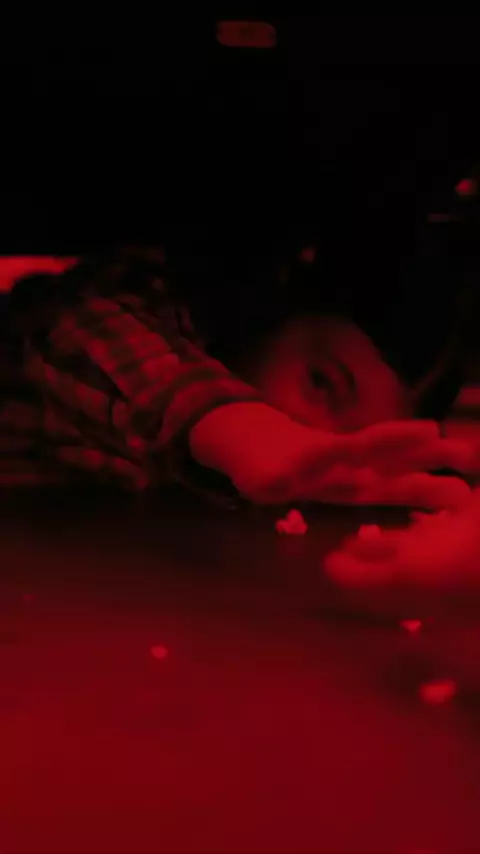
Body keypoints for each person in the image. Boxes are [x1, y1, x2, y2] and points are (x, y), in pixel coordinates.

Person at [0, 238, 475, 513]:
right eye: (321, 384)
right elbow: (75, 322)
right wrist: (233, 422)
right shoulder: (161, 297)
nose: (313, 439)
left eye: (352, 453)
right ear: (284, 303)